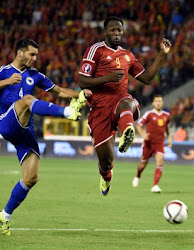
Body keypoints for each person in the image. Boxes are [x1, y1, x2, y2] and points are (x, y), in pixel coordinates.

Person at [0, 38, 91, 236]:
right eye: (32, 54)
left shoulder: (36, 75)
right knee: (27, 100)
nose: (35, 58)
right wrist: (7, 81)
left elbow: (59, 91)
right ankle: (67, 113)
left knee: (31, 178)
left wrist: (81, 95)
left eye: (36, 55)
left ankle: (5, 215)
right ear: (20, 53)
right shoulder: (4, 71)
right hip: (7, 121)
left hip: (25, 129)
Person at [78, 16, 171, 196]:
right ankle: (106, 176)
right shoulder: (95, 50)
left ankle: (127, 129)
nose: (117, 33)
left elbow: (147, 78)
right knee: (106, 161)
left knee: (127, 102)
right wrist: (108, 78)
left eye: (119, 30)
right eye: (112, 30)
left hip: (120, 101)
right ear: (105, 32)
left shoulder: (128, 55)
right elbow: (82, 81)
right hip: (100, 109)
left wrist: (162, 54)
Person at [132, 95, 172, 193]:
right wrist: (143, 135)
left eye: (160, 101)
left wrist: (169, 137)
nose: (158, 103)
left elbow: (166, 127)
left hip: (159, 143)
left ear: (162, 103)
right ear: (153, 103)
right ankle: (137, 176)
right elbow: (139, 125)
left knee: (160, 163)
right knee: (143, 163)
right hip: (148, 144)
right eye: (156, 101)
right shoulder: (149, 114)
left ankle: (155, 185)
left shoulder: (166, 115)